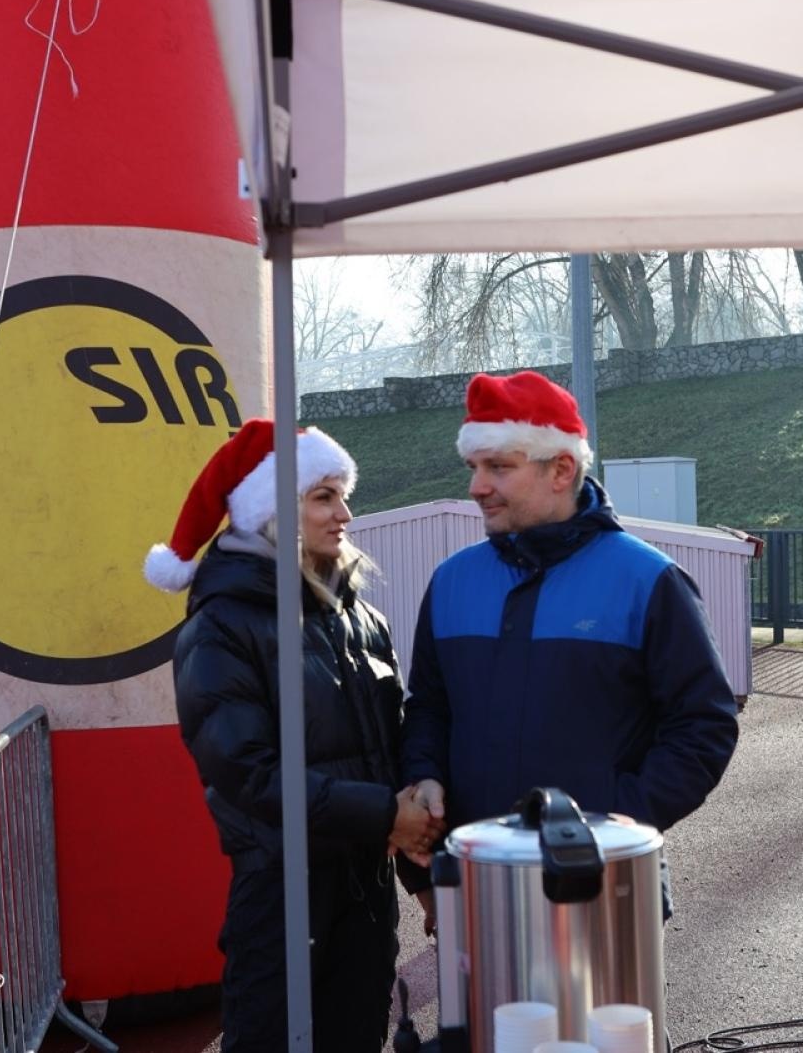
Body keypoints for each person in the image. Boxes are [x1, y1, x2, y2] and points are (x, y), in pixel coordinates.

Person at [144, 419, 441, 1053]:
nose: (346, 512)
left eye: (342, 493)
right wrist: (385, 814)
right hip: (282, 899)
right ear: (271, 510)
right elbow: (248, 772)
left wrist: (422, 878)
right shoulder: (221, 626)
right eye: (324, 496)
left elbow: (386, 751)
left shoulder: (361, 616)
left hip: (366, 891)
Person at [401, 370, 741, 916]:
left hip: (603, 885)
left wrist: (611, 822)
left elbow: (704, 724)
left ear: (561, 469)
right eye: (474, 467)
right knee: (479, 1008)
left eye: (499, 467)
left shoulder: (648, 580)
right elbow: (428, 708)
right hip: (476, 882)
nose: (476, 486)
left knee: (606, 1009)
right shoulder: (450, 581)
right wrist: (424, 779)